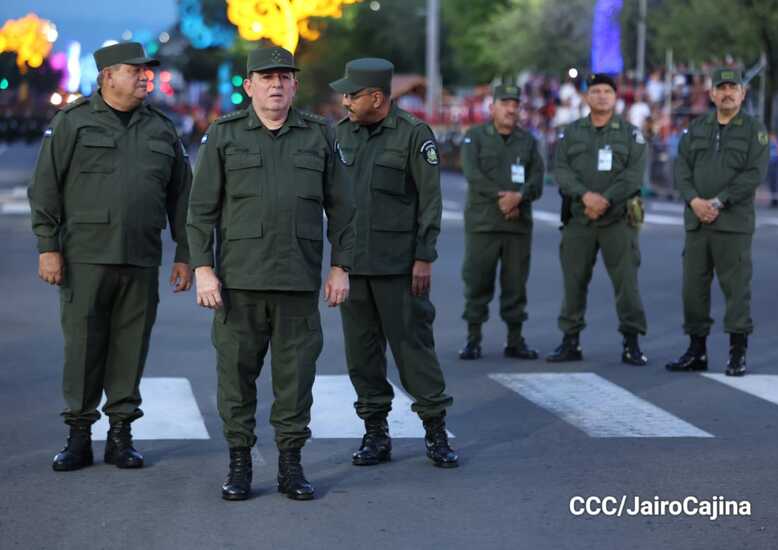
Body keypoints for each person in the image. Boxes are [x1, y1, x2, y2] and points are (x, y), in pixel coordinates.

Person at [187, 46, 354, 501]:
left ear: (295, 85)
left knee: (296, 379)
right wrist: (203, 268)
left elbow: (343, 209)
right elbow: (201, 210)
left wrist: (340, 267)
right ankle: (239, 463)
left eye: (284, 77)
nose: (275, 84)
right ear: (249, 86)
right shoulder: (224, 135)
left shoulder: (319, 136)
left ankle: (290, 465)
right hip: (238, 283)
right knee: (235, 378)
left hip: (297, 281)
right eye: (265, 77)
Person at [28, 42, 192, 471]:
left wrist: (185, 254)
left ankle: (121, 435)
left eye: (146, 71)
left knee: (131, 346)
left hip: (141, 256)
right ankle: (78, 436)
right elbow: (45, 188)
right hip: (85, 256)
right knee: (84, 346)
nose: (144, 77)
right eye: (134, 70)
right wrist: (48, 247)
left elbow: (182, 196)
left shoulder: (162, 128)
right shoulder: (73, 122)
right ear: (107, 77)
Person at [330, 58, 458, 469]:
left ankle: (435, 430)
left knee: (413, 349)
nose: (345, 101)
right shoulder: (340, 135)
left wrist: (424, 256)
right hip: (353, 267)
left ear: (376, 98)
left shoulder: (413, 134)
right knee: (362, 355)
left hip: (399, 266)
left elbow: (430, 201)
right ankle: (375, 433)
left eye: (352, 95)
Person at [666, 68, 769, 377]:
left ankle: (737, 353)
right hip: (698, 223)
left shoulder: (754, 131)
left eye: (732, 88)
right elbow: (682, 169)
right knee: (693, 289)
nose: (727, 93)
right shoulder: (697, 128)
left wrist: (719, 200)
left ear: (742, 94)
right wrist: (694, 201)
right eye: (721, 88)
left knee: (736, 290)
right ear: (711, 94)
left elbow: (754, 174)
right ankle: (696, 350)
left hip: (733, 223)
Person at [547, 73, 649, 366]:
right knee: (574, 282)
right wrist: (586, 197)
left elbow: (633, 176)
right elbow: (561, 171)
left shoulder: (631, 135)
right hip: (579, 219)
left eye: (607, 91)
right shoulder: (571, 133)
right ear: (586, 97)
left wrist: (604, 200)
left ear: (615, 98)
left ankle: (631, 342)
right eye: (596, 91)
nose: (602, 96)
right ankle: (570, 341)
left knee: (626, 283)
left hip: (618, 220)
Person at [458, 83, 545, 360]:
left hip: (517, 226)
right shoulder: (475, 137)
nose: (511, 109)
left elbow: (537, 179)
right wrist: (502, 198)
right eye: (505, 104)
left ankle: (515, 340)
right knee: (477, 281)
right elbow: (473, 173)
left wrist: (518, 197)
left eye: (515, 105)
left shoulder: (528, 141)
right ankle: (473, 339)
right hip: (483, 224)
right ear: (492, 107)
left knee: (516, 285)